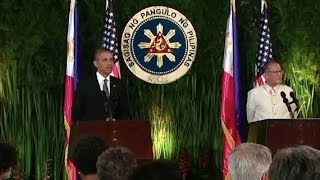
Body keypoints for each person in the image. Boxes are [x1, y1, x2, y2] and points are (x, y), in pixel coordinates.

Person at [72, 49, 129, 121]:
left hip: (115, 130)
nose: (109, 63)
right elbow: (77, 115)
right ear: (96, 64)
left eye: (111, 60)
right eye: (105, 60)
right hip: (92, 130)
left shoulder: (119, 84)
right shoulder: (85, 85)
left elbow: (124, 111)